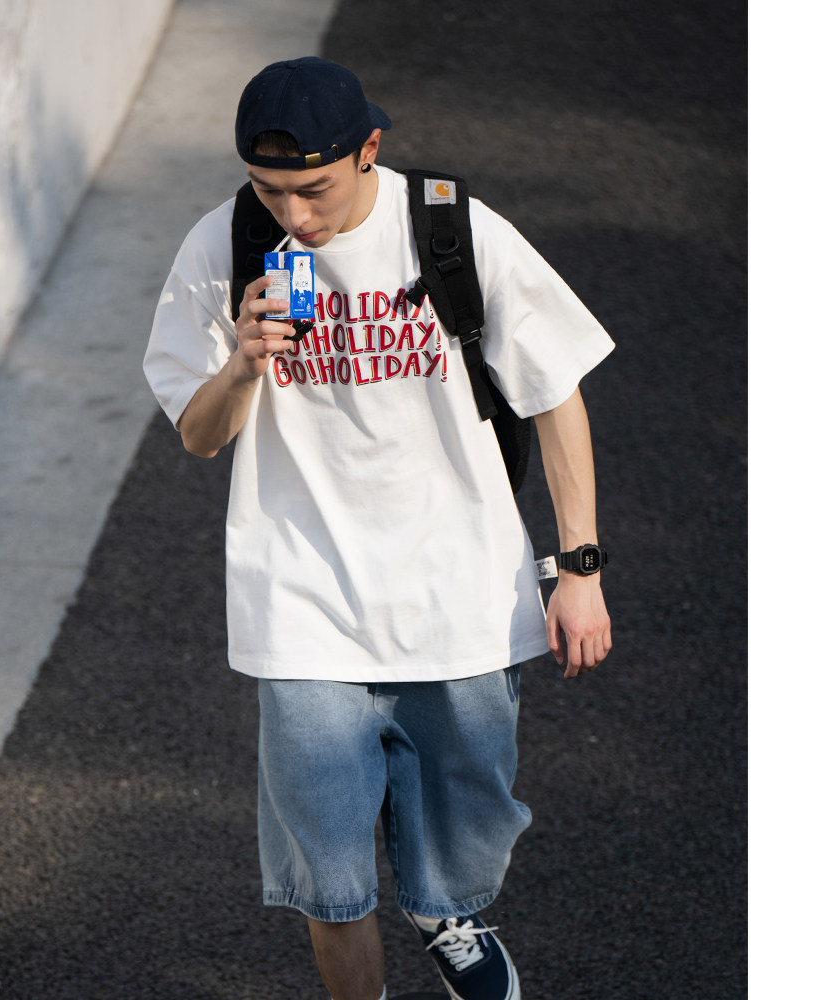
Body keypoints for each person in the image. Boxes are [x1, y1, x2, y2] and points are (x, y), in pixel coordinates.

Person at [144, 56, 613, 1000]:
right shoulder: (224, 242)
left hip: (459, 589)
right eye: (268, 189)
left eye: (312, 189)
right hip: (302, 600)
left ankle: (444, 911)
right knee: (330, 879)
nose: (292, 215)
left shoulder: (450, 228)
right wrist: (241, 366)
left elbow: (554, 389)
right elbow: (199, 436)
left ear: (368, 149)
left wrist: (580, 568)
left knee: (465, 840)